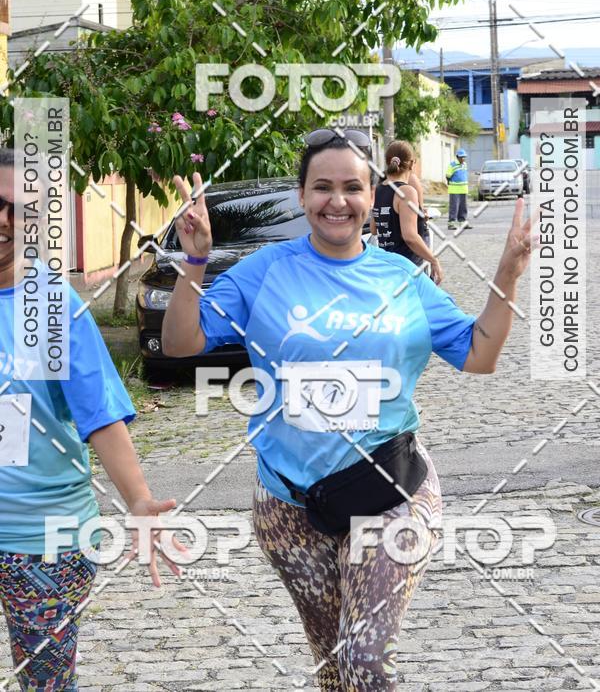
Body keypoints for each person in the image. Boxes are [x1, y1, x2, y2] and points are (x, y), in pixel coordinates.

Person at [162, 128, 533, 690]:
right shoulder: (265, 272)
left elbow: (478, 355)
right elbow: (182, 344)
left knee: (362, 658)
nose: (338, 201)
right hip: (289, 504)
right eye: (322, 187)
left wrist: (506, 272)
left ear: (373, 192)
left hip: (391, 492)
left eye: (352, 187)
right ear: (302, 194)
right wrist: (194, 261)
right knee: (331, 661)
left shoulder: (402, 278)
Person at [0, 146, 183, 691]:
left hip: (43, 539)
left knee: (46, 686)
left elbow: (99, 417)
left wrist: (139, 502)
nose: (5, 221)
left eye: (21, 209)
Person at [371, 140, 442, 284]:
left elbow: (374, 229)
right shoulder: (406, 191)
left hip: (387, 265)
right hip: (407, 267)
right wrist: (433, 260)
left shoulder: (378, 189)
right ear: (411, 164)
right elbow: (409, 237)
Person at [446, 148, 472, 230]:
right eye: (461, 157)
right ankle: (451, 223)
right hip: (454, 190)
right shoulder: (452, 165)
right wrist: (451, 183)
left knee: (463, 207)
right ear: (457, 157)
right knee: (454, 207)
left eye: (464, 157)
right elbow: (448, 176)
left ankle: (463, 222)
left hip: (464, 189)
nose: (463, 159)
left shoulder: (465, 165)